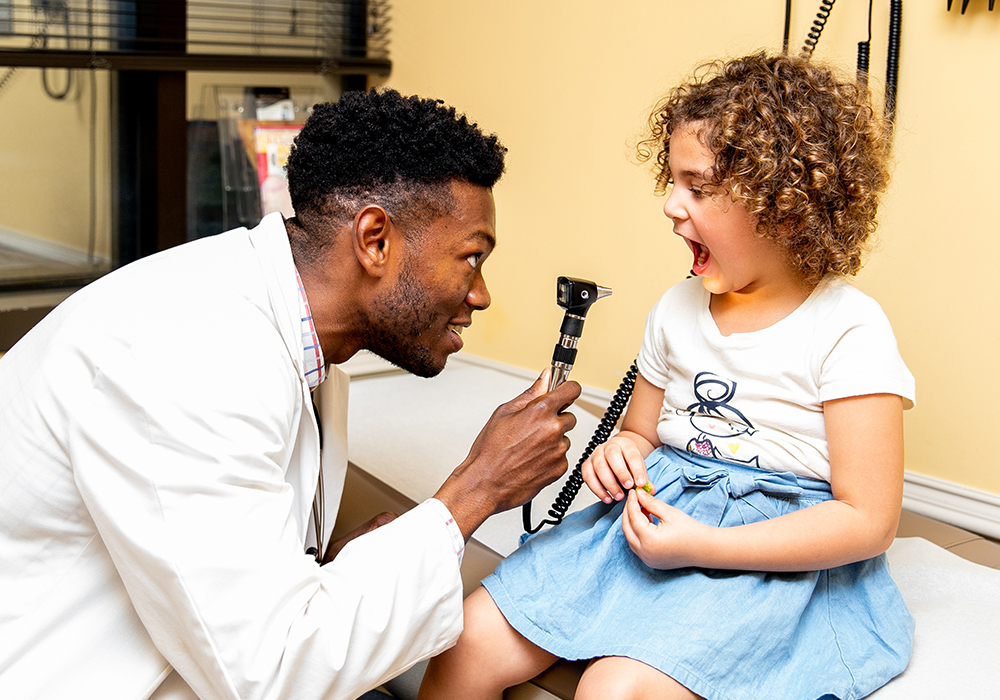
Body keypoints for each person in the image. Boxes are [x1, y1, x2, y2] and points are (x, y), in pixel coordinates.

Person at [0, 89, 582, 700]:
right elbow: (270, 675)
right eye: (470, 257)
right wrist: (475, 490)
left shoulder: (288, 337)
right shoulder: (192, 355)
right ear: (376, 239)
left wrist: (341, 568)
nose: (481, 294)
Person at [418, 52, 915, 700]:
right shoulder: (676, 310)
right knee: (469, 636)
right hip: (656, 521)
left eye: (698, 188)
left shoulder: (849, 327)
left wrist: (706, 545)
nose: (670, 205)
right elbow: (642, 434)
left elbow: (868, 518)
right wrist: (622, 453)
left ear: (788, 208)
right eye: (673, 181)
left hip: (774, 558)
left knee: (614, 688)